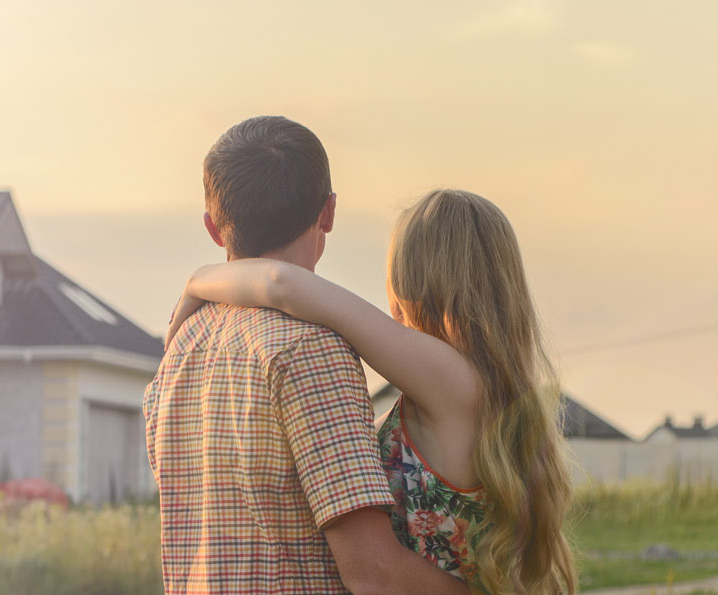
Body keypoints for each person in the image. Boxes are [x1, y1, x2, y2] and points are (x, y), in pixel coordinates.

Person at [164, 188, 578, 594]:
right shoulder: (484, 393)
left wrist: (197, 281)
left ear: (412, 283)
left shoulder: (452, 381)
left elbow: (282, 283)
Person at [143, 116, 469, 594]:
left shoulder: (180, 348)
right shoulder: (311, 350)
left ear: (213, 228)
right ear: (329, 212)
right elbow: (374, 574)